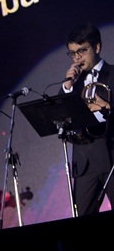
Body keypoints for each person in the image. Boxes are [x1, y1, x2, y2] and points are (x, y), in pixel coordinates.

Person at [61, 23, 114, 216]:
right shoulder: (74, 83)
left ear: (97, 47)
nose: (77, 58)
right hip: (84, 162)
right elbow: (60, 114)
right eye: (73, 53)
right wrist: (67, 86)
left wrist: (108, 108)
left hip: (110, 155)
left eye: (82, 51)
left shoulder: (113, 73)